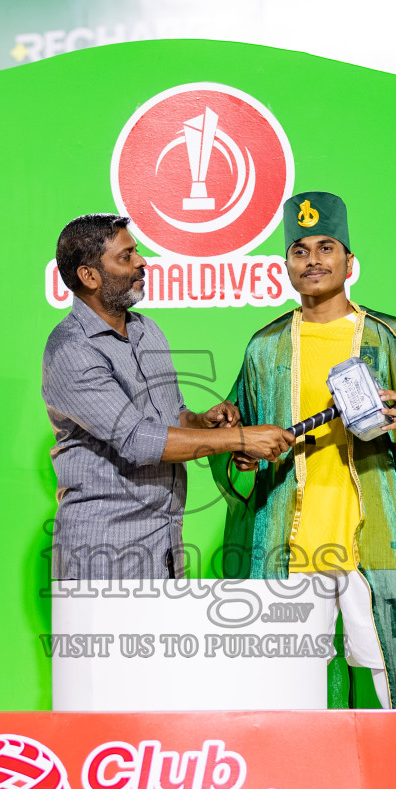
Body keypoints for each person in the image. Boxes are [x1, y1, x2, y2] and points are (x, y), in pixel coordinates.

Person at [214, 193, 396, 710]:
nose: (313, 260)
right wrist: (241, 454)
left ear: (349, 261)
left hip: (374, 539)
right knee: (288, 680)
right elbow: (236, 439)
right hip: (290, 544)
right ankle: (297, 786)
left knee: (393, 669)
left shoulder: (388, 337)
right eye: (300, 250)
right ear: (285, 266)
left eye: (326, 247)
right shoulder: (264, 347)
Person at [42, 213, 294, 578]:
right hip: (103, 554)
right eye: (126, 256)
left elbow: (172, 415)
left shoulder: (146, 330)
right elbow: (138, 440)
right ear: (89, 276)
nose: (142, 262)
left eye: (137, 253)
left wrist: (204, 423)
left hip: (166, 546)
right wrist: (240, 439)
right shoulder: (71, 348)